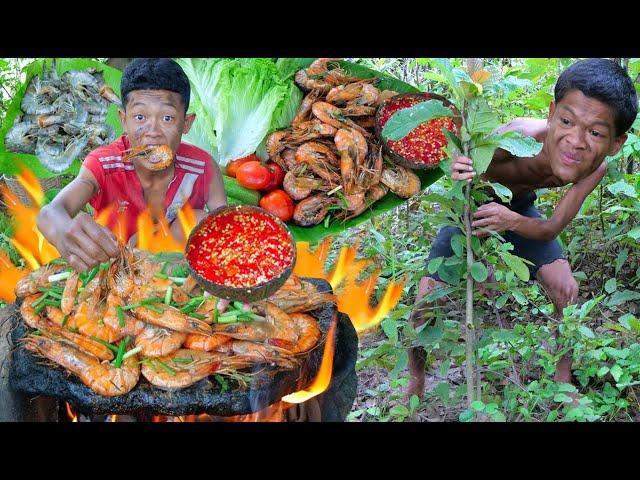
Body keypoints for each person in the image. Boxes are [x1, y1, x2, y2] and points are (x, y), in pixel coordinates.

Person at [406, 58, 638, 399]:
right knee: (425, 304)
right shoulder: (517, 135)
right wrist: (457, 165)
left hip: (520, 210)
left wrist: (512, 221)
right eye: (567, 121)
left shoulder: (595, 169)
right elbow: (458, 159)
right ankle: (415, 381)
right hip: (473, 209)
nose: (576, 141)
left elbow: (550, 228)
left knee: (566, 289)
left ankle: (563, 380)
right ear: (551, 112)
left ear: (616, 143)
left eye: (596, 133)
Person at [37, 58, 226, 271]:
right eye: (139, 116)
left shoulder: (203, 167)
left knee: (202, 220)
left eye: (167, 118)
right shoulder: (103, 164)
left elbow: (229, 229)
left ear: (186, 123)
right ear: (123, 120)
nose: (152, 131)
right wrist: (61, 229)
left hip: (178, 270)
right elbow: (50, 212)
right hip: (113, 270)